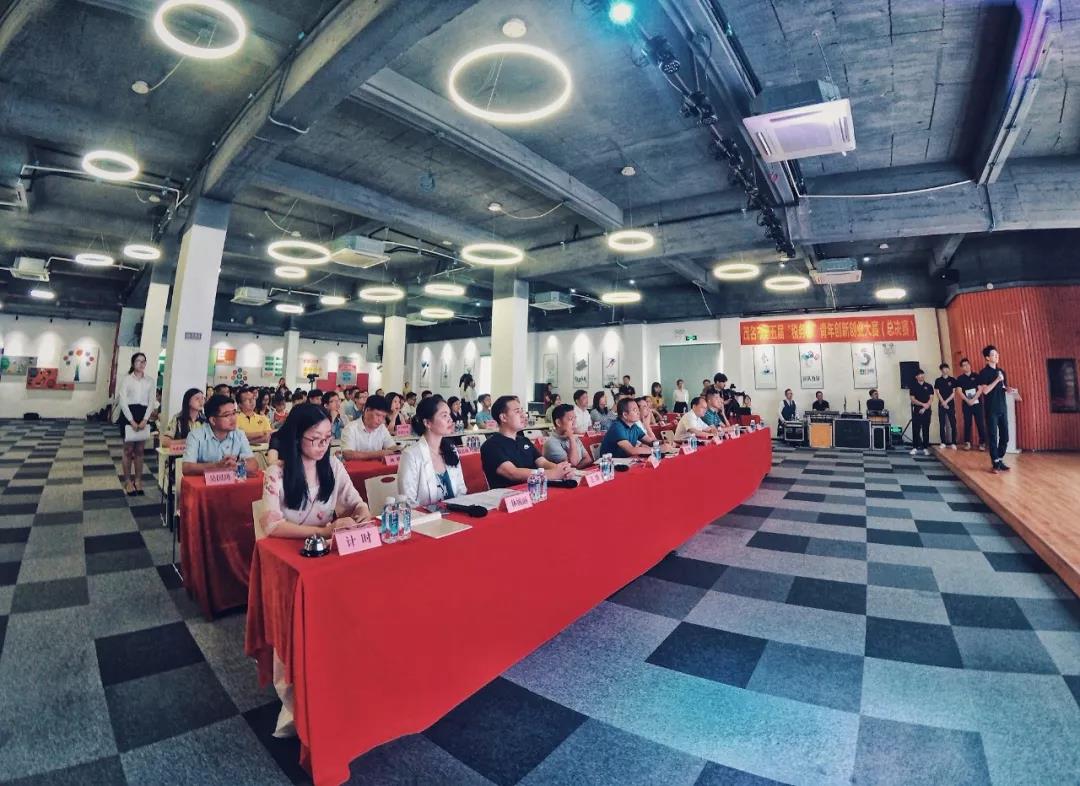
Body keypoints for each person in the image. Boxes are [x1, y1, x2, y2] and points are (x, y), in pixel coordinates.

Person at [259, 403, 370, 539]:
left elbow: (354, 502)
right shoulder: (276, 473)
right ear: (297, 437)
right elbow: (272, 526)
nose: (323, 444)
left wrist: (362, 509)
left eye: (327, 437)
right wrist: (324, 532)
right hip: (289, 544)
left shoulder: (333, 465)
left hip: (323, 545)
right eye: (316, 438)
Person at [480, 395, 573, 488]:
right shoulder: (491, 446)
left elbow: (542, 463)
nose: (523, 415)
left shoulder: (524, 440)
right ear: (503, 417)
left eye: (522, 411)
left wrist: (562, 469)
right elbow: (512, 473)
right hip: (510, 493)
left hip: (535, 490)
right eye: (517, 412)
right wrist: (551, 474)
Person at [397, 396, 468, 508]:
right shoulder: (410, 455)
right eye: (444, 415)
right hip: (426, 517)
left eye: (449, 415)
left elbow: (461, 490)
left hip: (455, 513)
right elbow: (408, 502)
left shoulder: (451, 449)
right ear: (427, 423)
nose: (450, 420)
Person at [182, 394, 257, 476]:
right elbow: (187, 468)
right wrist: (217, 466)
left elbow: (253, 465)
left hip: (231, 482)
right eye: (227, 415)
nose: (233, 418)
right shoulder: (195, 435)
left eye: (234, 413)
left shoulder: (239, 434)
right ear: (213, 420)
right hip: (204, 482)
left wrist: (234, 467)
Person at [116, 351, 158, 496]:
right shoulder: (127, 379)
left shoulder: (150, 381)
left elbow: (151, 401)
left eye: (144, 361)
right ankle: (128, 481)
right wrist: (131, 420)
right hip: (129, 414)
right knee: (128, 450)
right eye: (139, 361)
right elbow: (123, 401)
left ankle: (138, 480)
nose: (141, 363)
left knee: (140, 450)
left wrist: (145, 419)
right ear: (133, 363)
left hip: (143, 414)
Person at [977, 345, 1021, 473]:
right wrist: (997, 380)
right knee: (993, 436)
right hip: (991, 409)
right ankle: (995, 463)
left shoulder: (1001, 372)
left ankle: (1000, 459)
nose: (996, 356)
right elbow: (985, 391)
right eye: (993, 354)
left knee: (1005, 436)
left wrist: (1008, 389)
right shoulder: (983, 373)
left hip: (1002, 407)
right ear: (987, 357)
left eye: (997, 354)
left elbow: (1003, 387)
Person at [599, 397, 667, 458]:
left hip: (625, 461)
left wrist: (663, 442)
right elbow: (632, 450)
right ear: (625, 415)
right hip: (610, 463)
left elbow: (650, 441)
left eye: (638, 409)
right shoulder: (617, 427)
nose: (638, 412)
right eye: (635, 410)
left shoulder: (634, 426)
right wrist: (657, 449)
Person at [340, 394, 398, 460]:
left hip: (377, 466)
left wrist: (400, 449)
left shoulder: (382, 428)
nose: (380, 420)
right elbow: (347, 454)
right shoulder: (351, 428)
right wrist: (377, 454)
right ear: (367, 410)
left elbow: (391, 447)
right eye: (378, 415)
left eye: (383, 417)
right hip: (356, 466)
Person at [543, 403, 594, 469]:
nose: (574, 423)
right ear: (558, 422)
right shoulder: (551, 443)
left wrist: (575, 469)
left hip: (575, 473)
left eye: (575, 418)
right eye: (571, 419)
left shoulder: (574, 437)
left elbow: (588, 459)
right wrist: (571, 438)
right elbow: (572, 464)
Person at [956, 357, 986, 450]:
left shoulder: (976, 376)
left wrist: (973, 399)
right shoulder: (960, 378)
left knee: (980, 423)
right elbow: (959, 391)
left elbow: (980, 389)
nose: (966, 366)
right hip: (966, 404)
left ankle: (982, 443)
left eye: (967, 364)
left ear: (970, 365)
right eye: (964, 365)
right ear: (962, 368)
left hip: (977, 403)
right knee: (967, 423)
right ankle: (967, 443)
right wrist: (967, 400)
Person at [908, 369, 934, 456]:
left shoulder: (929, 386)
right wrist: (923, 405)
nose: (921, 376)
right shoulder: (913, 386)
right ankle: (915, 447)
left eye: (922, 374)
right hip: (917, 410)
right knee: (916, 429)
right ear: (916, 377)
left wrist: (926, 406)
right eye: (919, 375)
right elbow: (913, 399)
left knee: (926, 429)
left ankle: (925, 448)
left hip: (927, 410)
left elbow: (931, 398)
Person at [935, 362, 958, 449]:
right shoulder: (938, 380)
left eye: (947, 368)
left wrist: (946, 402)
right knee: (942, 424)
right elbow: (937, 392)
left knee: (953, 423)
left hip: (950, 404)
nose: (946, 370)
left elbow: (953, 393)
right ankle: (943, 442)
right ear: (941, 370)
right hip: (941, 404)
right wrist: (943, 402)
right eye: (944, 369)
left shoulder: (952, 380)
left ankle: (954, 442)